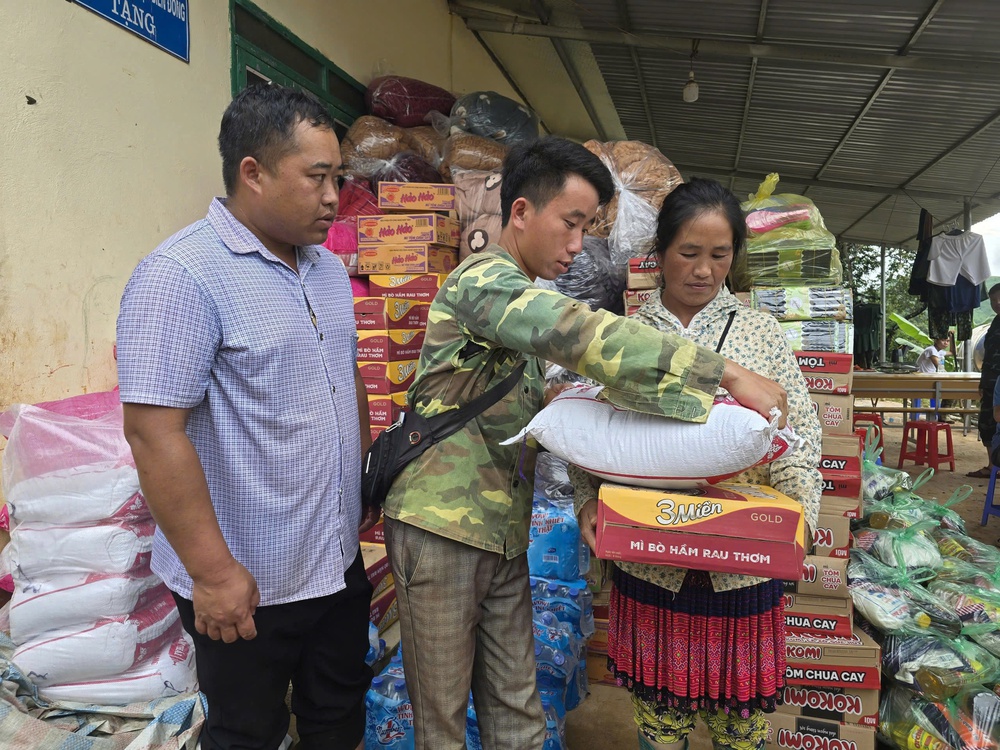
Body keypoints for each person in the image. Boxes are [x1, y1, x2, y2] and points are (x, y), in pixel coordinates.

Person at [380, 137, 789, 750]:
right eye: (570, 224)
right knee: (440, 718)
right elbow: (584, 334)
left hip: (499, 527)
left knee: (516, 707)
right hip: (441, 530)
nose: (577, 246)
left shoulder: (518, 296)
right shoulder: (487, 285)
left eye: (587, 228)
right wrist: (724, 375)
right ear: (520, 212)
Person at [117, 84, 379, 750]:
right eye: (318, 178)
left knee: (337, 715)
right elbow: (154, 431)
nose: (332, 197)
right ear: (252, 173)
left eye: (338, 178)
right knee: (247, 732)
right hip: (247, 579)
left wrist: (362, 487)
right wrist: (212, 574)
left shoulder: (324, 269)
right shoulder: (182, 275)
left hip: (333, 557)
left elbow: (344, 376)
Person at [571, 178, 822, 750]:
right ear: (659, 254)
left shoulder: (760, 335)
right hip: (649, 557)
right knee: (660, 727)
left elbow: (800, 436)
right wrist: (587, 497)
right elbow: (588, 429)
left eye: (719, 255)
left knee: (742, 728)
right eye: (688, 253)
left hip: (742, 562)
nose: (704, 270)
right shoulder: (624, 336)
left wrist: (799, 521)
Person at [969, 285, 1000, 478]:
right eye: (993, 300)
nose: (997, 303)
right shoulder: (996, 322)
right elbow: (988, 356)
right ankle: (993, 466)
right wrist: (983, 382)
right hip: (990, 384)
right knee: (987, 424)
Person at [913, 336, 950, 420]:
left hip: (930, 378)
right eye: (943, 339)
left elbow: (952, 352)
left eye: (948, 341)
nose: (946, 343)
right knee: (941, 390)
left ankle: (936, 415)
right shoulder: (931, 350)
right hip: (922, 378)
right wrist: (948, 375)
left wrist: (951, 336)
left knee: (937, 391)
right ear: (936, 340)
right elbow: (939, 367)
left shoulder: (939, 352)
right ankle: (939, 415)